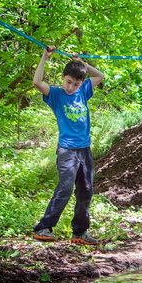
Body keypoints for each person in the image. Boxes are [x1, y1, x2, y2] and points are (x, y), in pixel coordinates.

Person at [33, 46, 104, 245]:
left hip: (85, 149)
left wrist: (83, 64)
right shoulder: (56, 94)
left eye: (75, 83)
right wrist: (45, 58)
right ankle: (44, 227)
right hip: (67, 150)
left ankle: (79, 233)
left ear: (81, 83)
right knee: (65, 186)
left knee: (86, 189)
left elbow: (100, 75)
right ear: (63, 77)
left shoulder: (84, 91)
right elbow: (37, 82)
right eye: (68, 81)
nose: (70, 86)